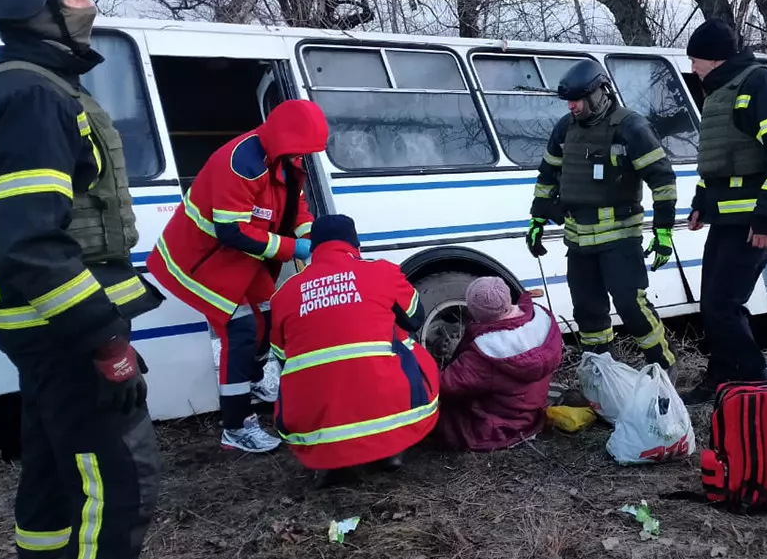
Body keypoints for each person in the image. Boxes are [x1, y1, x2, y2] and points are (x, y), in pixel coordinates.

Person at [0, 0, 193, 559]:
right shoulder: (32, 97)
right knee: (116, 482)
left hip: (42, 332)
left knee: (55, 468)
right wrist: (102, 338)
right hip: (68, 332)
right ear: (42, 6)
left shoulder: (19, 88)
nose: (88, 4)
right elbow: (33, 245)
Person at [146, 99, 322, 453]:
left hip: (239, 260)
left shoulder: (287, 160)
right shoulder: (241, 163)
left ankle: (253, 380)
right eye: (301, 148)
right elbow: (232, 231)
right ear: (284, 139)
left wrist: (309, 235)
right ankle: (236, 426)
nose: (304, 155)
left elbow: (294, 208)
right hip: (200, 261)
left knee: (268, 321)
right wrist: (294, 249)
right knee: (240, 331)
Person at [526, 60, 678, 375]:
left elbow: (662, 180)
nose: (573, 106)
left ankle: (665, 368)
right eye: (569, 101)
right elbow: (547, 176)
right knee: (587, 312)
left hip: (620, 239)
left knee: (631, 307)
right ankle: (601, 375)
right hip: (578, 241)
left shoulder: (630, 127)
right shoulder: (564, 128)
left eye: (578, 99)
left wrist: (663, 233)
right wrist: (537, 220)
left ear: (598, 93)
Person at [681, 17, 767, 404]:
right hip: (725, 220)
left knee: (724, 305)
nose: (692, 68)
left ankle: (756, 381)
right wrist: (702, 204)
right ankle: (720, 376)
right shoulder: (719, 93)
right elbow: (717, 161)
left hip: (753, 222)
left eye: (695, 60)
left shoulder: (758, 84)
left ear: (713, 59)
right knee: (712, 304)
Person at [268, 214, 440, 475]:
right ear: (355, 244)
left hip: (311, 430)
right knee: (402, 340)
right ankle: (391, 450)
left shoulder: (284, 294)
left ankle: (328, 464)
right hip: (393, 417)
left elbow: (282, 357)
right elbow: (415, 317)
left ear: (313, 249)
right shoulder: (381, 271)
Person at [435, 277, 564, 452]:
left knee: (444, 418)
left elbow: (443, 386)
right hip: (534, 408)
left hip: (502, 425)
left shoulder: (485, 353)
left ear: (476, 313)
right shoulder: (542, 318)